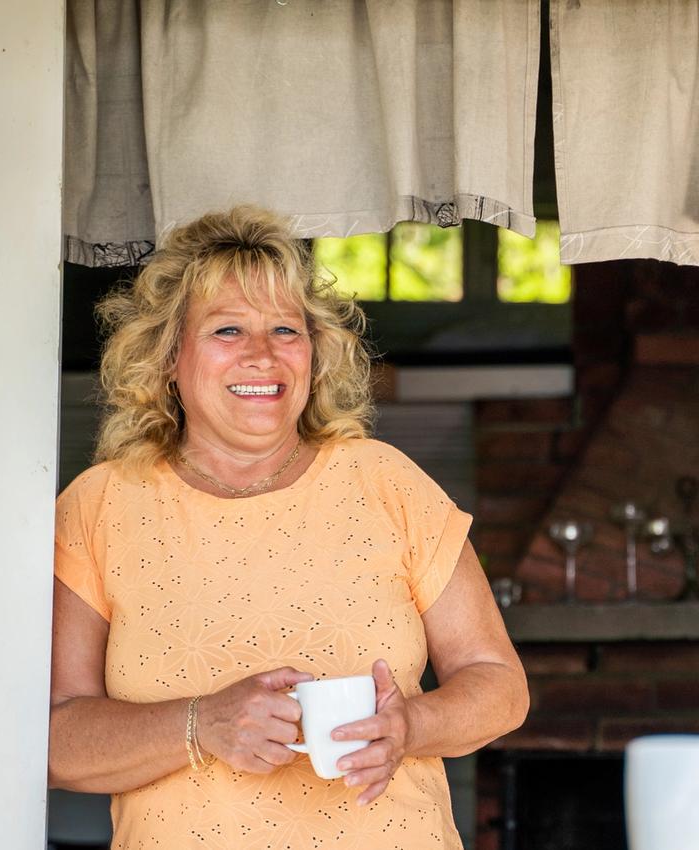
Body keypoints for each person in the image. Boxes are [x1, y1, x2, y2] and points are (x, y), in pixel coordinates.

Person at [48, 206, 529, 849]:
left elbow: (499, 684)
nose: (263, 355)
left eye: (285, 329)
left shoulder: (385, 482)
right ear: (167, 357)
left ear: (315, 352)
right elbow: (56, 743)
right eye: (227, 329)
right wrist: (201, 724)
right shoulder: (100, 505)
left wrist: (411, 726)